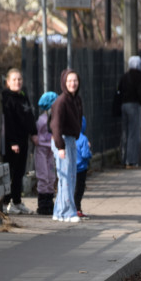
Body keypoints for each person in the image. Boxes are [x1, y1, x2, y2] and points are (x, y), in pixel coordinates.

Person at [0, 68, 37, 215]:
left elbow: (29, 116)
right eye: (14, 79)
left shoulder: (23, 96)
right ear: (8, 82)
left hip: (23, 140)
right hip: (12, 143)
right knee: (10, 173)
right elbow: (8, 123)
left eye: (19, 79)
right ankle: (4, 202)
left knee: (20, 173)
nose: (17, 82)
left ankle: (16, 202)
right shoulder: (7, 98)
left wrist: (33, 133)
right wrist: (13, 142)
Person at [50, 68, 83, 223]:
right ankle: (68, 212)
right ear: (64, 82)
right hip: (62, 140)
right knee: (66, 178)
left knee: (69, 178)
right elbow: (55, 125)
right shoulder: (61, 101)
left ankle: (59, 211)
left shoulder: (76, 100)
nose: (72, 83)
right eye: (69, 81)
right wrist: (60, 146)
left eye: (75, 80)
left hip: (71, 139)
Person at [117, 56, 141, 168]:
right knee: (133, 134)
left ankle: (123, 158)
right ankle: (131, 161)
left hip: (123, 105)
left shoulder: (124, 76)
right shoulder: (139, 77)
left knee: (125, 133)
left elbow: (119, 90)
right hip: (134, 105)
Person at [32, 91, 58, 216]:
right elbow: (37, 133)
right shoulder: (42, 120)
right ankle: (43, 204)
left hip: (51, 149)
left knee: (51, 175)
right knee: (43, 175)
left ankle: (49, 201)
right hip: (42, 149)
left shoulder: (54, 119)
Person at [74, 116, 92, 219]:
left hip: (72, 168)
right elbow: (85, 154)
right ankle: (77, 208)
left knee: (72, 189)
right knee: (79, 190)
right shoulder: (83, 139)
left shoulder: (71, 138)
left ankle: (70, 208)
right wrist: (90, 153)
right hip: (81, 168)